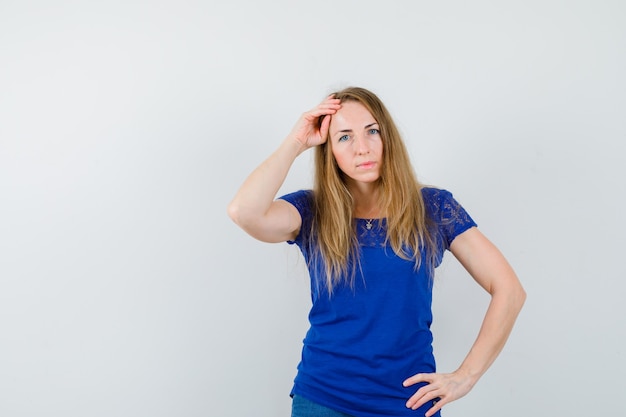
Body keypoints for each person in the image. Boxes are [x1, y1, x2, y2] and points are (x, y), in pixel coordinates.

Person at [227, 87, 526, 417]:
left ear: (388, 137)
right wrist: (296, 141)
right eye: (344, 137)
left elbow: (509, 290)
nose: (362, 148)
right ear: (329, 151)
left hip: (409, 402)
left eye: (372, 131)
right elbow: (244, 211)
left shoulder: (433, 208)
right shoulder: (313, 210)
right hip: (324, 398)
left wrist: (466, 377)